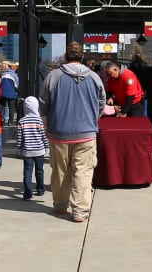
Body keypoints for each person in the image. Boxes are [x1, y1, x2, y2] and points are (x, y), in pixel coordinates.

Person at [40, 46, 106, 223]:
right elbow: (102, 103)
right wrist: (93, 120)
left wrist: (47, 127)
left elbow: (43, 105)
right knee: (83, 172)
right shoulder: (94, 77)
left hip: (59, 132)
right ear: (82, 57)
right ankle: (80, 211)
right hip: (86, 133)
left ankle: (61, 205)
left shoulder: (53, 76)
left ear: (65, 57)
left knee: (60, 171)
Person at [16, 96, 48, 200]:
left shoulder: (22, 121)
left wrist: (19, 149)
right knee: (39, 171)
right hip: (39, 151)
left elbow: (19, 138)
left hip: (27, 152)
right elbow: (44, 136)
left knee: (27, 172)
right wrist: (46, 147)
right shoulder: (39, 121)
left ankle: (27, 193)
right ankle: (40, 189)